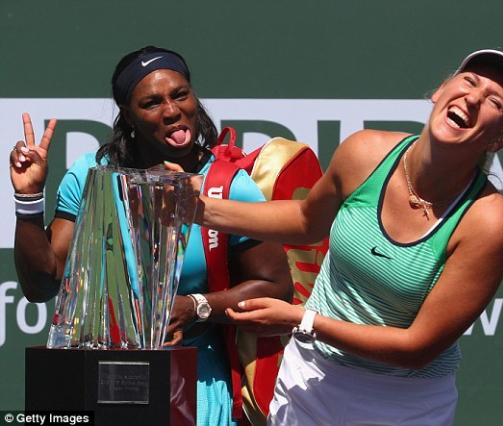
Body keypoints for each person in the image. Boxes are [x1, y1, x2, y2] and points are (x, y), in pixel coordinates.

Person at [188, 49, 503, 425]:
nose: (473, 98)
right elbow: (307, 221)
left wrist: (303, 321)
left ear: (498, 140)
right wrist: (199, 210)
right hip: (309, 380)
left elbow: (416, 348)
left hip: (403, 404)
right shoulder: (365, 151)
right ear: (440, 90)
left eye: (494, 102)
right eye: (469, 81)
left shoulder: (488, 223)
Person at [9, 46, 293, 425]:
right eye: (151, 103)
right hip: (94, 384)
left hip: (194, 388)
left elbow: (276, 288)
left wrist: (195, 307)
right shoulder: (91, 174)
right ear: (128, 115)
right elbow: (41, 286)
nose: (172, 110)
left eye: (180, 94)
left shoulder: (228, 186)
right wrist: (28, 198)